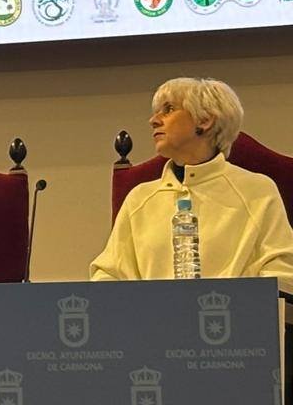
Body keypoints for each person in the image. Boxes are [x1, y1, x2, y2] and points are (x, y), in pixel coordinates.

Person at [92, 77, 293, 287]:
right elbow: (108, 275)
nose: (154, 120)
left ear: (204, 120)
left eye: (168, 109)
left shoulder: (257, 191)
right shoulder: (139, 198)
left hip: (232, 307)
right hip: (151, 309)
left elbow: (283, 274)